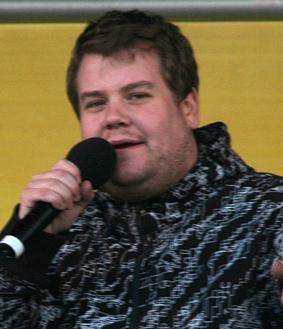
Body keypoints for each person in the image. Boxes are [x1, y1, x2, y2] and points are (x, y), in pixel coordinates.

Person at [0, 9, 282, 329]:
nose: (114, 116)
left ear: (188, 107)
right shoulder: (52, 232)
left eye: (136, 96)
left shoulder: (268, 212)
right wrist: (27, 257)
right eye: (95, 102)